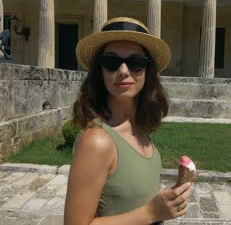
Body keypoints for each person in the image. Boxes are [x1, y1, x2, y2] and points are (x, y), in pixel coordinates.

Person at [64, 17, 193, 225]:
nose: (123, 71)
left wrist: (164, 204)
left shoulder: (139, 130)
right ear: (100, 71)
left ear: (147, 71)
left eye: (135, 63)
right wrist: (152, 212)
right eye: (111, 62)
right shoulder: (96, 141)